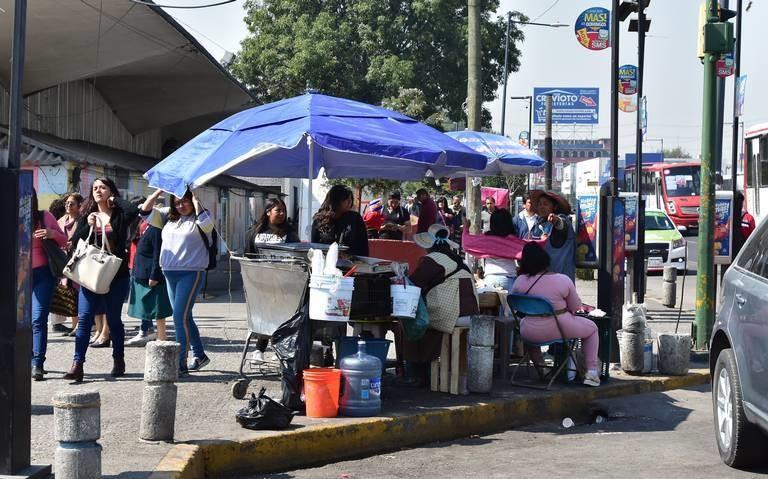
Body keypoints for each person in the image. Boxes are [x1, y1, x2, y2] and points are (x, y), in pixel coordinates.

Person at [64, 178, 141, 382]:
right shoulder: (88, 215)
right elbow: (75, 242)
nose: (98, 190)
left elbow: (134, 211)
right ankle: (77, 364)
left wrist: (116, 199)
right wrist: (86, 225)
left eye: (103, 188)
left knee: (114, 320)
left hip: (116, 275)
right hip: (90, 276)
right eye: (95, 188)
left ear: (110, 191)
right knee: (84, 319)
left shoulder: (120, 214)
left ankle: (118, 359)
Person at [141, 188, 214, 376]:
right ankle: (200, 355)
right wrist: (160, 190)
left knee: (178, 317)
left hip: (191, 272)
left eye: (185, 201)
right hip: (169, 272)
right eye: (177, 202)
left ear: (192, 200)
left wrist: (197, 203)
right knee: (184, 317)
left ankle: (180, 362)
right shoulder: (167, 216)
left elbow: (207, 227)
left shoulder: (202, 217)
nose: (181, 205)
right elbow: (144, 211)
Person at [511, 243, 600, 387]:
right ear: (545, 260)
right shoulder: (562, 280)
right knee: (592, 329)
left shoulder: (519, 282)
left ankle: (542, 369)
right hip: (559, 328)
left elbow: (515, 306)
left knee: (529, 326)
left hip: (528, 332)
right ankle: (591, 372)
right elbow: (576, 307)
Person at [400, 224, 479, 386]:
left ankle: (417, 372)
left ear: (429, 245)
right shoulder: (458, 259)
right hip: (471, 314)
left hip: (453, 315)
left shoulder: (433, 260)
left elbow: (414, 283)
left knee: (411, 322)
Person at [244, 197, 299, 362]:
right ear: (268, 212)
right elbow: (248, 254)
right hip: (260, 282)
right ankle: (258, 350)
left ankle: (279, 349)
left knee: (281, 316)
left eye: (283, 210)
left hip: (283, 282)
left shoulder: (289, 233)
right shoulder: (255, 231)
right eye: (278, 210)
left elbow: (296, 255)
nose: (282, 214)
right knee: (263, 315)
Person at [31, 190, 68, 380]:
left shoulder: (45, 216)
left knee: (38, 319)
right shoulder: (9, 216)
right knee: (20, 321)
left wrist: (51, 232)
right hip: (18, 276)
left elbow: (64, 240)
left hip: (43, 275)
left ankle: (37, 363)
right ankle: (26, 358)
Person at [125, 219, 171, 346]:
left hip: (151, 275)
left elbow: (158, 253)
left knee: (158, 309)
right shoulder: (147, 227)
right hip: (141, 273)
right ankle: (152, 333)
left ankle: (162, 337)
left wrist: (155, 274)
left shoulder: (156, 229)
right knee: (148, 308)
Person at [311, 185, 369, 256]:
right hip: (325, 262)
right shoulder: (319, 220)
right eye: (346, 199)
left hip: (351, 263)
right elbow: (314, 246)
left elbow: (363, 247)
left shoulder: (355, 218)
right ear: (336, 200)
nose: (349, 202)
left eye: (350, 199)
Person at [531, 191, 576, 282]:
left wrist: (556, 221)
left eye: (545, 204)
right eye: (539, 204)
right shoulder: (538, 223)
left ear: (554, 207)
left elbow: (561, 225)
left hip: (561, 279)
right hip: (542, 279)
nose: (541, 207)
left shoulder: (563, 219)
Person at [48, 196, 74, 335]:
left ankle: (57, 322)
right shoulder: (58, 222)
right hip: (60, 260)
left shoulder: (53, 220)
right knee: (60, 290)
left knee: (58, 289)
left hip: (57, 260)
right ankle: (57, 322)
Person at [481, 209, 519, 291]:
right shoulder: (513, 240)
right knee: (509, 304)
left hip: (490, 278)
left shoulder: (486, 238)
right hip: (509, 277)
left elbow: (467, 243)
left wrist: (466, 228)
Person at [732, 191, 756, 260]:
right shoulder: (749, 218)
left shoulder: (727, 218)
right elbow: (752, 237)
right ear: (742, 203)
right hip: (744, 252)